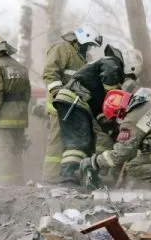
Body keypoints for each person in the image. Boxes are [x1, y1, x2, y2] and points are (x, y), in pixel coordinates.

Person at [52, 44, 143, 187]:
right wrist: (113, 95)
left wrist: (114, 131)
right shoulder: (112, 62)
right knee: (78, 143)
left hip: (78, 102)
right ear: (129, 65)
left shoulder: (96, 86)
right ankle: (67, 180)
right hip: (75, 100)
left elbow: (101, 114)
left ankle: (82, 178)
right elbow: (110, 77)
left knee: (87, 143)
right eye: (126, 77)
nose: (123, 82)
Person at [80, 88, 151, 190]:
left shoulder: (130, 120)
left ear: (119, 111)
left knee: (132, 166)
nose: (118, 121)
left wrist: (95, 161)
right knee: (144, 157)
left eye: (116, 118)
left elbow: (121, 154)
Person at [41, 23, 103, 183]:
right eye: (88, 44)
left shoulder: (82, 58)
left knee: (74, 142)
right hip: (60, 105)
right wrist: (58, 93)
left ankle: (70, 176)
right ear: (81, 40)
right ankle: (51, 177)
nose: (89, 48)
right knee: (57, 140)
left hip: (76, 107)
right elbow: (49, 72)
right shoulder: (62, 48)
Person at [0, 34, 31, 185]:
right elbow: (27, 94)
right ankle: (18, 186)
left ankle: (1, 189)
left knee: (1, 154)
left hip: (2, 120)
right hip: (20, 119)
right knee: (16, 153)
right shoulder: (21, 67)